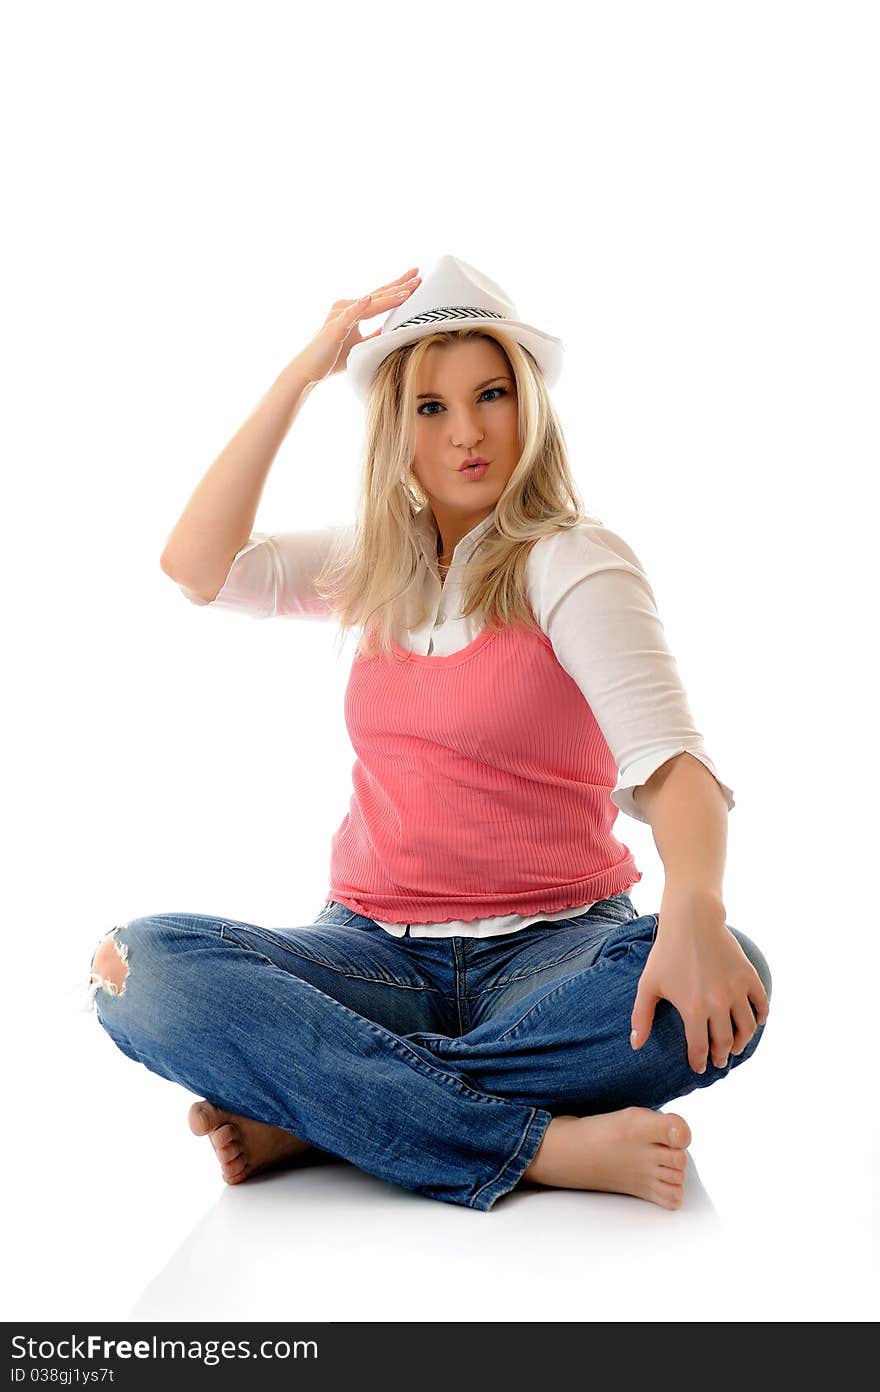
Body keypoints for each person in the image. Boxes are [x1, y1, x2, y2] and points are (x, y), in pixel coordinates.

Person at [88, 254, 772, 1214]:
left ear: (527, 404)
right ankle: (534, 1148)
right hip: (370, 954)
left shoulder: (572, 561)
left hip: (556, 953)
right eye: (430, 407)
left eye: (490, 395)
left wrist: (696, 905)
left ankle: (323, 1111)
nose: (468, 432)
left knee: (731, 986)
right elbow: (197, 565)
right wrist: (302, 375)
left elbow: (671, 768)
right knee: (138, 971)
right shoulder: (375, 561)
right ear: (395, 430)